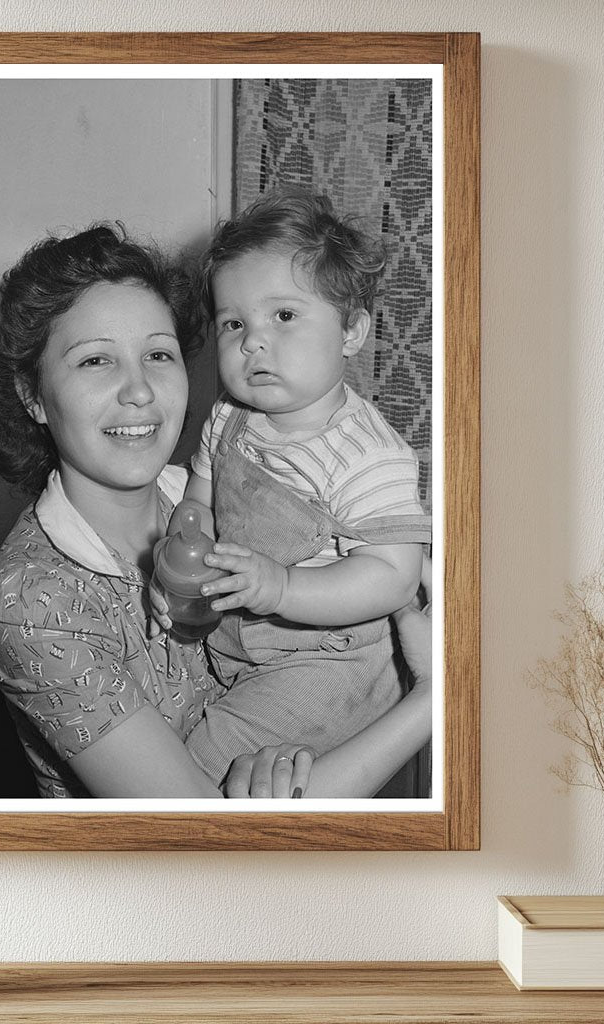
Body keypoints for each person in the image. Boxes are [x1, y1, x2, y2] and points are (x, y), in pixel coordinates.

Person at [0, 223, 431, 799]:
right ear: (33, 395)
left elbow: (392, 582)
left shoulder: (240, 493)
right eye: (95, 361)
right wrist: (436, 700)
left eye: (158, 354)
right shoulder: (32, 603)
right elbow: (201, 831)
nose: (139, 390)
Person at [158, 187, 432, 782]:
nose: (253, 340)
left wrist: (280, 587)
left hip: (329, 666)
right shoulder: (229, 417)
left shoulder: (368, 455)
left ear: (351, 332)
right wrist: (184, 562)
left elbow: (393, 577)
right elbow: (198, 504)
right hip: (233, 640)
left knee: (192, 774)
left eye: (283, 315)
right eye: (234, 323)